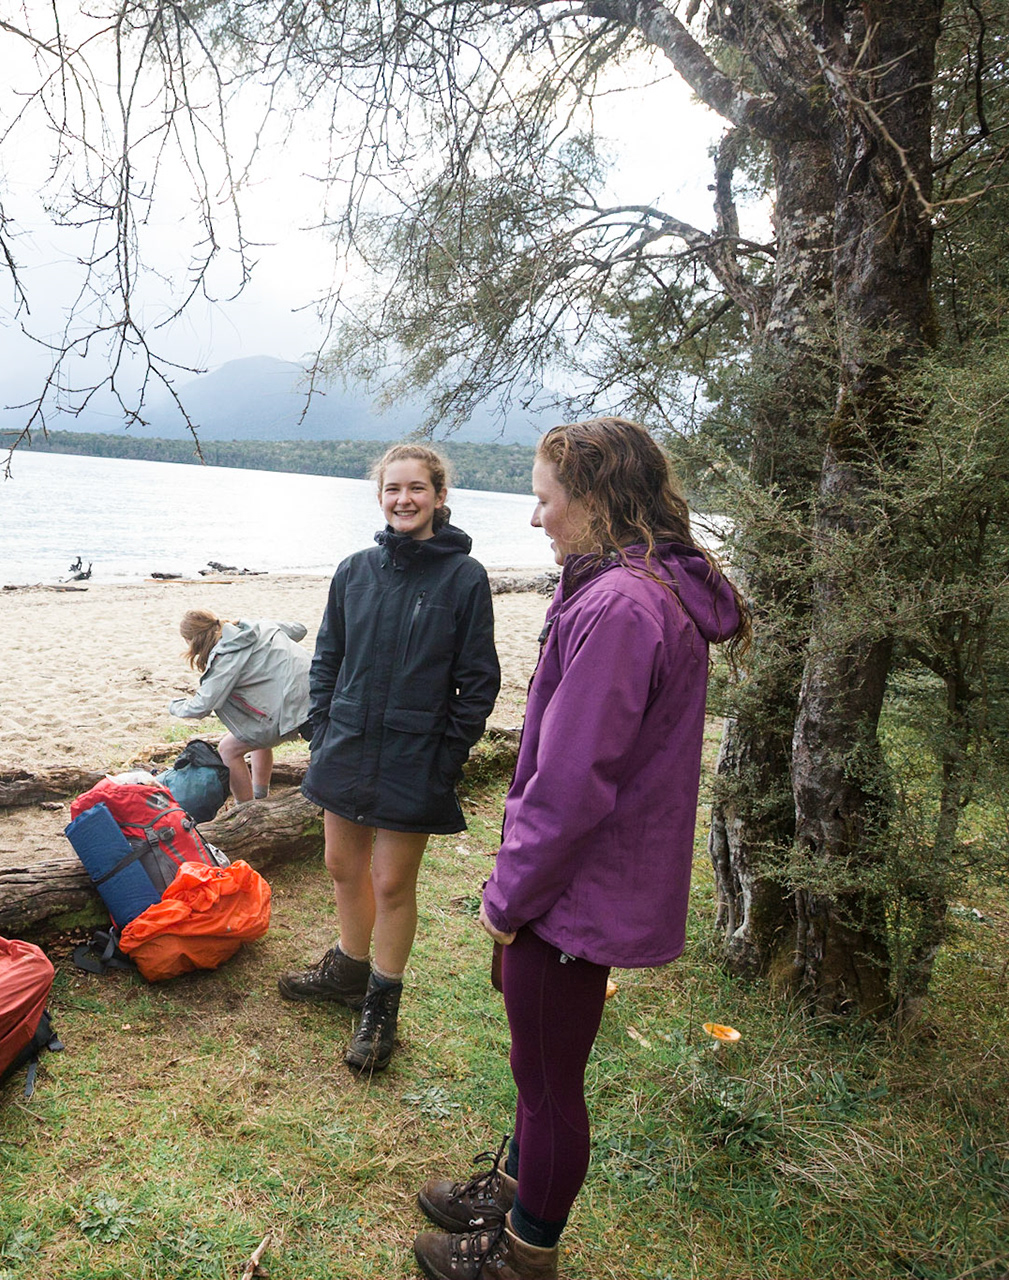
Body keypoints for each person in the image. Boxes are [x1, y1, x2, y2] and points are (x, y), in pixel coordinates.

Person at [411, 418, 747, 1280]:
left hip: (576, 887)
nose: (536, 518)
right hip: (586, 878)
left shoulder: (623, 606)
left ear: (595, 501)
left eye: (545, 499)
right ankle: (512, 1191)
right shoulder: (628, 588)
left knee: (551, 1082)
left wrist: (507, 901)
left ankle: (525, 1252)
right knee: (539, 1066)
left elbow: (569, 785)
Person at [283, 442, 501, 1074]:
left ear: (439, 496)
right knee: (341, 865)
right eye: (393, 489)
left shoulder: (464, 578)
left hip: (415, 753)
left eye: (416, 488)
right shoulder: (354, 571)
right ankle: (347, 971)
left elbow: (477, 682)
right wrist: (323, 731)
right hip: (346, 743)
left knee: (392, 883)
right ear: (380, 496)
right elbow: (327, 659)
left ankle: (382, 1003)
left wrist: (447, 758)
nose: (404, 500)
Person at [167, 610, 312, 802]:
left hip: (292, 710)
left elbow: (200, 707)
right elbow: (300, 630)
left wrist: (173, 705)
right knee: (256, 735)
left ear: (191, 641)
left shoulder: (224, 658)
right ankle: (260, 796)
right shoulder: (255, 626)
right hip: (316, 690)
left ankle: (246, 808)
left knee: (228, 749)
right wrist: (254, 622)